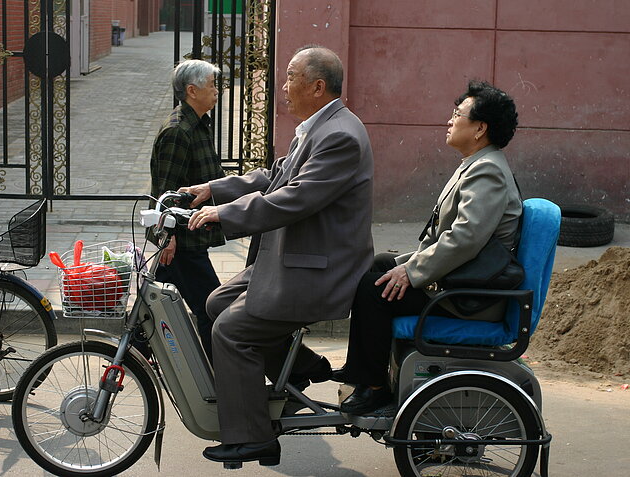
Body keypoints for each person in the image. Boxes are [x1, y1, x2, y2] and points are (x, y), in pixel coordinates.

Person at [182, 46, 374, 465]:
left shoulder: (339, 135)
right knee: (215, 302)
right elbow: (274, 176)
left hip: (320, 271)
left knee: (231, 332)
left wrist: (222, 215)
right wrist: (213, 189)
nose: (283, 87)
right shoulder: (319, 126)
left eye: (290, 77)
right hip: (297, 260)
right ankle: (301, 368)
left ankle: (255, 437)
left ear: (317, 86)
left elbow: (294, 198)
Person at [336, 80, 522, 416]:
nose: (450, 121)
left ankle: (375, 386)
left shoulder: (488, 172)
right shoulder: (478, 163)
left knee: (372, 289)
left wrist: (410, 270)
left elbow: (464, 239)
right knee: (380, 265)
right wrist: (402, 264)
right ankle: (364, 372)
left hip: (470, 295)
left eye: (457, 115)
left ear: (480, 128)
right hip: (461, 280)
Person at [150, 59, 225, 359]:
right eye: (213, 85)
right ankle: (221, 379)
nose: (218, 90)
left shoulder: (197, 124)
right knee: (213, 309)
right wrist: (167, 237)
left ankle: (132, 360)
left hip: (187, 236)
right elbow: (165, 191)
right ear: (192, 91)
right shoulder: (178, 131)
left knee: (154, 308)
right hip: (182, 240)